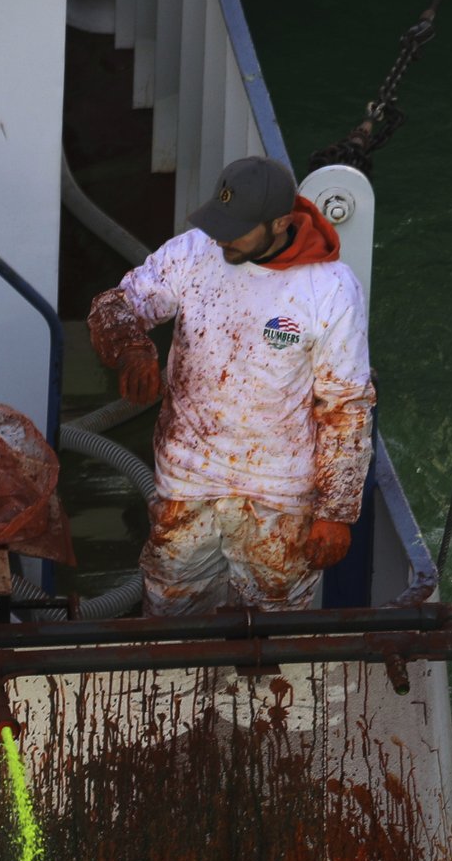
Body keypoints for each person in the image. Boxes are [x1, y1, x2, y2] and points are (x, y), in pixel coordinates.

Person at [88, 153, 372, 614]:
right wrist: (132, 350)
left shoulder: (332, 289)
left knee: (273, 636)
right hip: (186, 483)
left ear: (280, 223)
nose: (220, 235)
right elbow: (113, 306)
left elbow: (345, 407)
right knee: (169, 613)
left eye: (235, 227)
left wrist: (335, 514)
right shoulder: (193, 253)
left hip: (279, 497)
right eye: (219, 220)